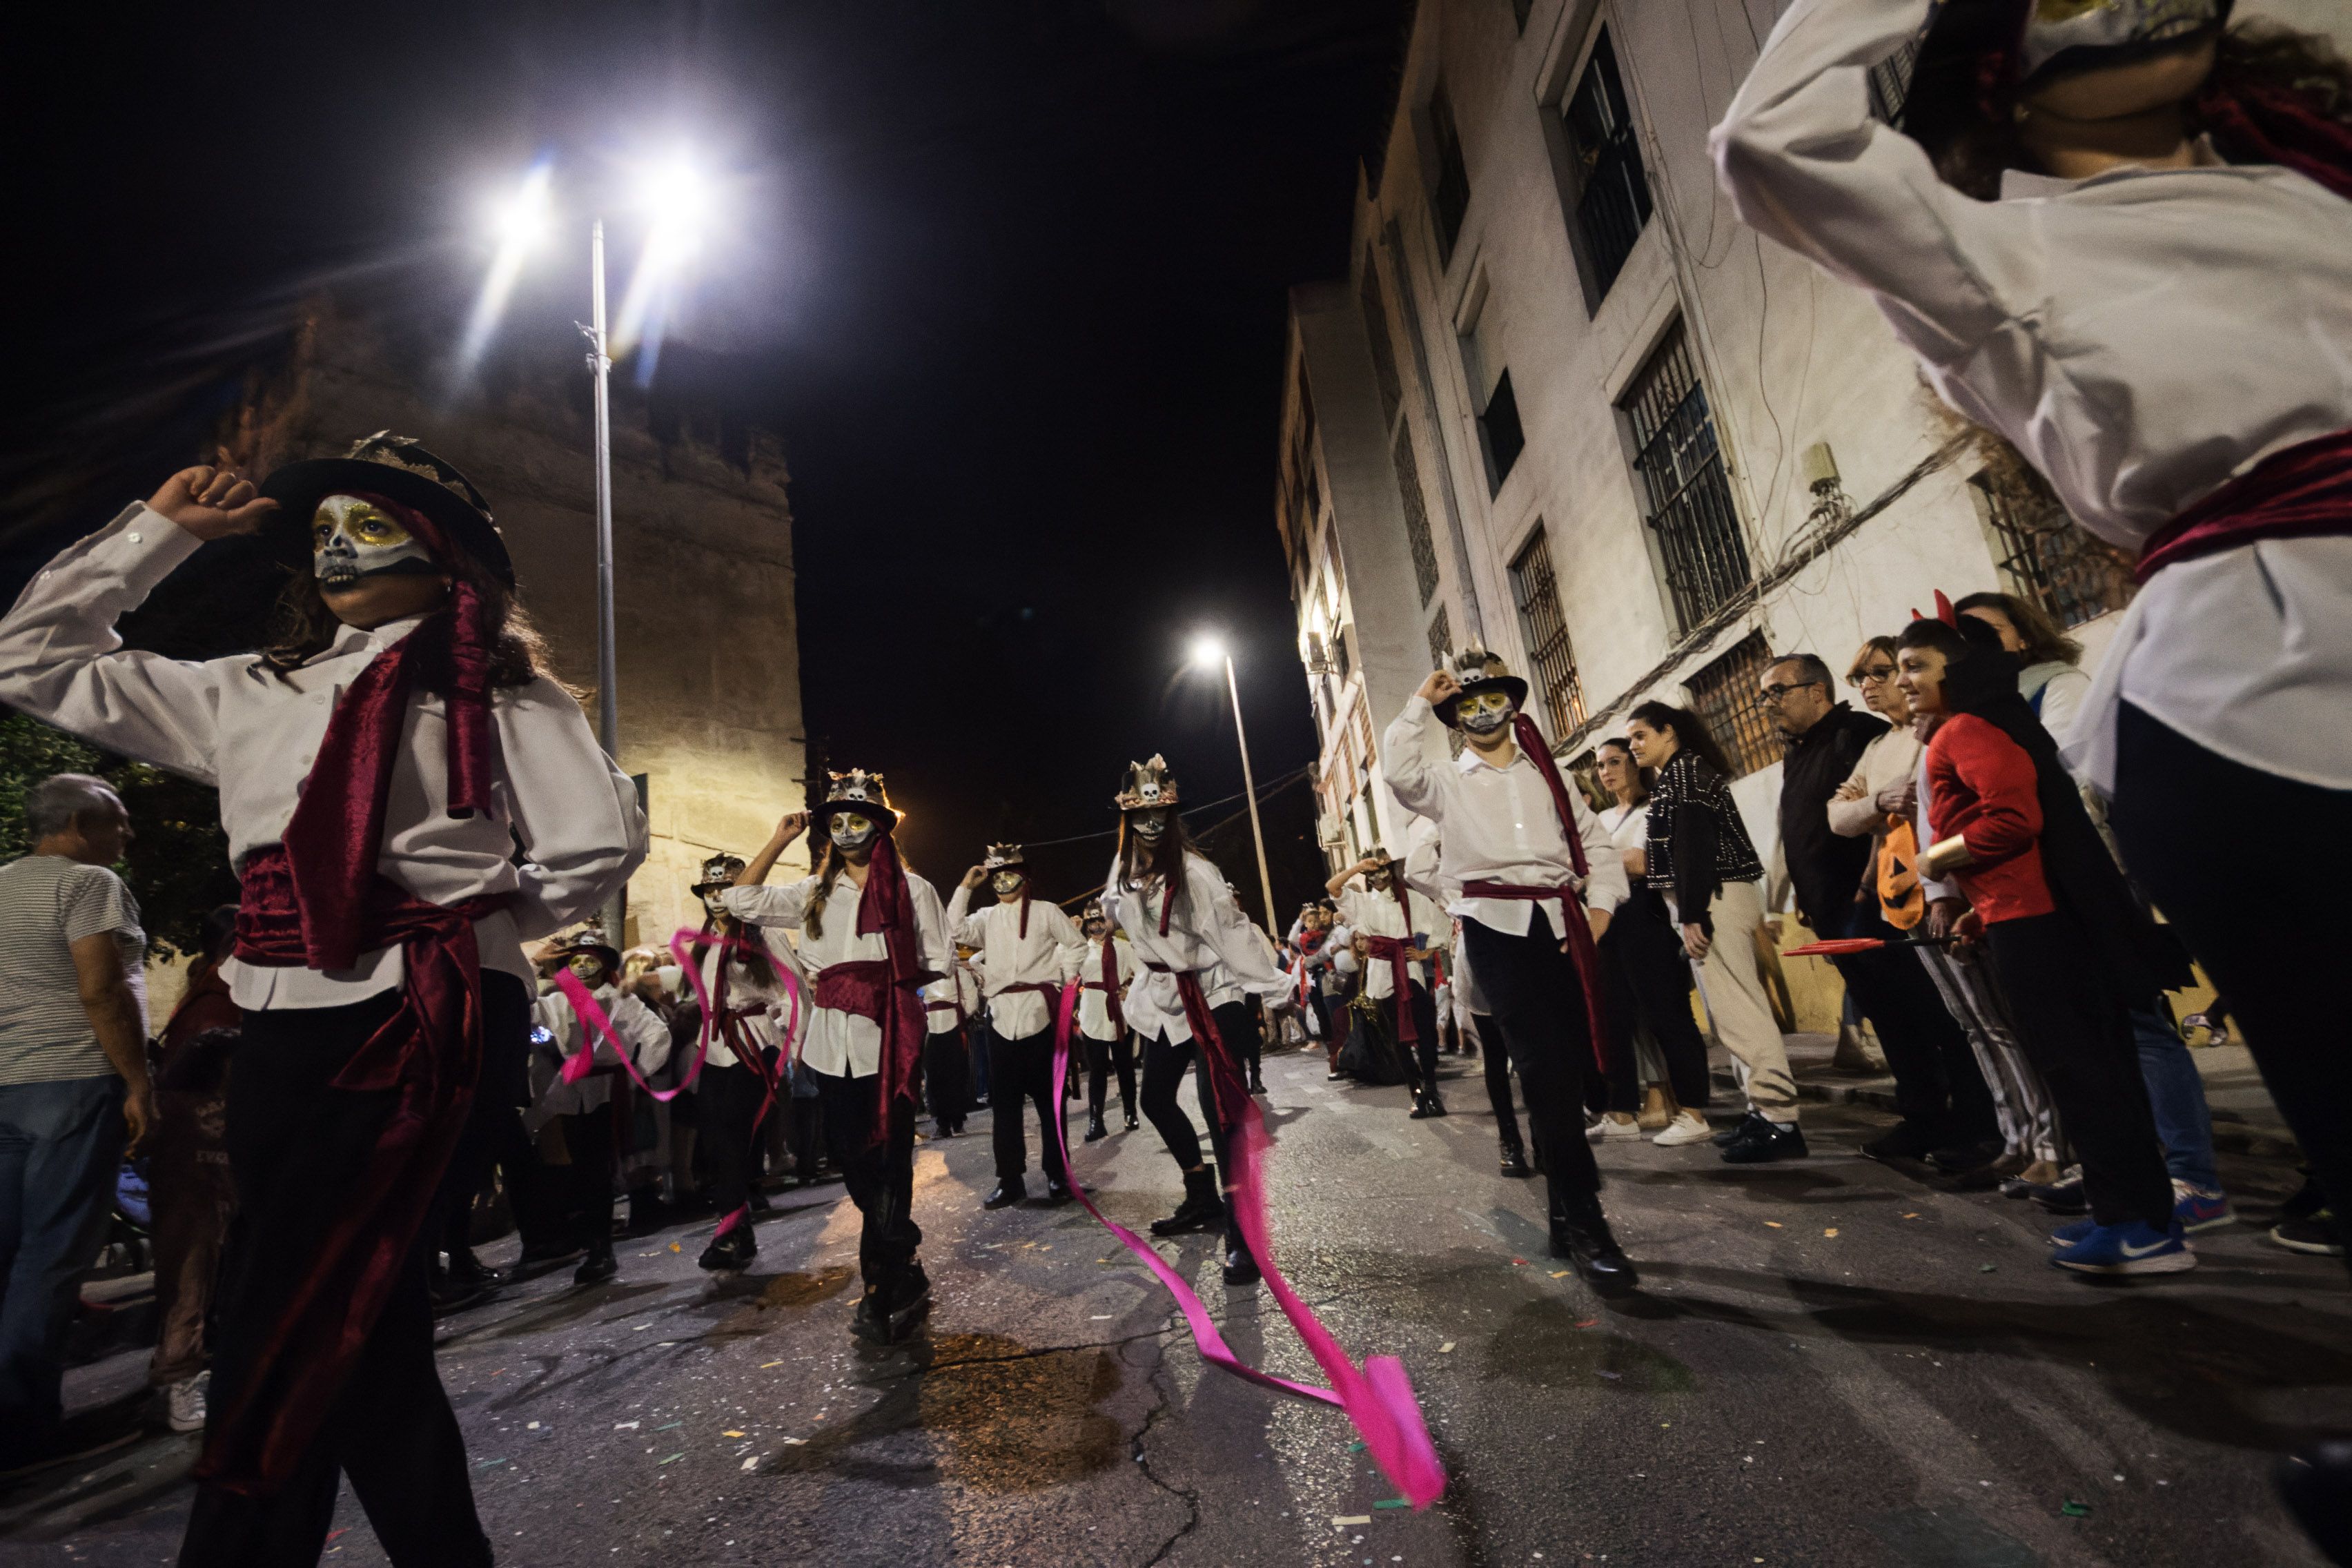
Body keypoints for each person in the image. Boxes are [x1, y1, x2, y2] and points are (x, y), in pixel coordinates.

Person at [1713, 0, 2352, 1263]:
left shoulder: (2312, 184)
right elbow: (1773, 141)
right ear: (1996, 76)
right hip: (2252, 699)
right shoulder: (1994, 257)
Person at [0, 440, 647, 1562]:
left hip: (431, 1007)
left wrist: (457, 921)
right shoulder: (252, 687)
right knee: (352, 1316)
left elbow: (595, 841)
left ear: (442, 552)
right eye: (324, 531)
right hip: (281, 1016)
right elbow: (30, 658)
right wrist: (160, 533)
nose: (339, 547)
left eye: (373, 523)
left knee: (287, 1304)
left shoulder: (500, 689)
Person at [1896, 609, 2193, 1273]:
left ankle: (2138, 1229)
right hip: (2026, 917)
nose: (1904, 680)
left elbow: (2014, 819)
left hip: (2037, 928)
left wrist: (1934, 860)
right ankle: (2134, 1215)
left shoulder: (1965, 729)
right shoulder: (1978, 724)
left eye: (1916, 666)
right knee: (2089, 1069)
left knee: (2083, 1072)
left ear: (1956, 670)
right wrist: (1980, 912)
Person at [1382, 645, 1637, 1295]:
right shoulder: (1444, 781)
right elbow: (1399, 773)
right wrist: (1420, 701)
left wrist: (1600, 910)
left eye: (1493, 698)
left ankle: (1561, 1209)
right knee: (1543, 1069)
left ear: (1514, 704)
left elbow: (1596, 845)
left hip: (1563, 924)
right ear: (1455, 716)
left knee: (1575, 1070)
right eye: (1468, 703)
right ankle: (1588, 1222)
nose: (1482, 711)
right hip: (1497, 930)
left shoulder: (1549, 775)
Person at [721, 773, 951, 1344]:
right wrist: (779, 839)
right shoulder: (812, 893)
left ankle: (881, 1285)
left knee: (889, 1157)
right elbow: (739, 900)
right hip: (830, 1041)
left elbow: (939, 956)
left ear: (879, 827)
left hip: (887, 1035)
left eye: (858, 819)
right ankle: (902, 1255)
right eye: (838, 822)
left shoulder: (914, 888)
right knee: (851, 1157)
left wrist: (883, 984)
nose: (847, 831)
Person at [1831, 637, 2065, 1184]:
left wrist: (1940, 878)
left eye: (1905, 668)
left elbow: (2001, 821)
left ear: (1951, 673)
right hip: (1929, 902)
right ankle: (2019, 1140)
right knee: (1977, 1025)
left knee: (2005, 1027)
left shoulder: (1961, 732)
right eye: (1879, 674)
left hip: (1989, 903)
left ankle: (2049, 1146)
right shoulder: (1902, 742)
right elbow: (1842, 816)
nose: (1889, 683)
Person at [1765, 652, 1998, 1166]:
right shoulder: (1812, 750)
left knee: (1937, 1016)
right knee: (1892, 1020)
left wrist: (1862, 882)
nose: (1768, 704)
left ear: (1816, 691)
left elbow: (1884, 819)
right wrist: (1798, 893)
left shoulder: (1855, 735)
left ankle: (1976, 1124)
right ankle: (1923, 1120)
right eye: (1861, 676)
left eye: (1777, 691)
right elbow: (1826, 819)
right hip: (1836, 907)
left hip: (1891, 899)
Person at [0, 774, 157, 1470]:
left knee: (9, 1253)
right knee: (53, 1255)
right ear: (74, 824)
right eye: (117, 820)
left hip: (6, 1085)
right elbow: (101, 987)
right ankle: (22, 1428)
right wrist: (138, 1082)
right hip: (73, 1078)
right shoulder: (87, 883)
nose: (127, 833)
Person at [1099, 756, 1290, 1288]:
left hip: (1212, 992)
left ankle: (1241, 1233)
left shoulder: (1197, 873)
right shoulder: (1124, 871)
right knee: (1154, 1099)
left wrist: (1275, 985)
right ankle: (1201, 1192)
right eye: (1140, 816)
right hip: (1165, 995)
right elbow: (1114, 910)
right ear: (1128, 819)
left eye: (1159, 814)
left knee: (1219, 1112)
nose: (1150, 824)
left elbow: (1233, 934)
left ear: (1172, 816)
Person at [1623, 700, 1802, 1164]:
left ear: (1669, 732)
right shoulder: (1678, 774)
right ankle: (1761, 1112)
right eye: (1631, 738)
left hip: (1715, 899)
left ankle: (1781, 1119)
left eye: (1641, 735)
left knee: (1742, 1012)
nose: (1633, 745)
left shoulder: (1685, 773)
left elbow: (1693, 848)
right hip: (1710, 900)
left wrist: (1693, 913)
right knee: (1731, 1014)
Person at [526, 934, 670, 1286]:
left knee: (599, 1169)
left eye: (590, 959)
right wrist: (533, 969)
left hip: (609, 1091)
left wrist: (636, 1074)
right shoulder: (555, 1001)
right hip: (572, 1091)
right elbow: (524, 1012)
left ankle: (601, 1248)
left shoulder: (622, 1001)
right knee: (581, 1169)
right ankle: (592, 1242)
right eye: (576, 960)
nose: (583, 966)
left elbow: (657, 1035)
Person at [946, 843, 1084, 1210]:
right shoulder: (986, 917)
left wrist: (1065, 981)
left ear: (1025, 877)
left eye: (1010, 874)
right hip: (1002, 1014)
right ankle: (1010, 1180)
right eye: (997, 876)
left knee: (1049, 1101)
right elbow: (954, 929)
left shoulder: (1046, 911)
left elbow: (1076, 944)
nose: (1003, 881)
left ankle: (1058, 1174)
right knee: (1004, 1105)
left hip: (1040, 1011)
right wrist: (966, 886)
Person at [683, 852, 803, 1270]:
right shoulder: (704, 942)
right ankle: (739, 1228)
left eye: (725, 889)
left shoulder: (764, 934)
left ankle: (730, 1233)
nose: (717, 897)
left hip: (754, 1042)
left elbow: (792, 990)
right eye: (710, 890)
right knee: (716, 1138)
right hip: (715, 1045)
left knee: (733, 1132)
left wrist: (789, 1042)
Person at [1590, 741, 1714, 1148]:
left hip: (1648, 914)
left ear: (1634, 764)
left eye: (1615, 762)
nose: (1606, 772)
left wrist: (1606, 862)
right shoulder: (1600, 819)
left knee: (1668, 1015)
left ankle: (1693, 1111)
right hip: (1607, 917)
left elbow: (1648, 862)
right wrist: (1615, 861)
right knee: (1613, 1021)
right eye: (1600, 766)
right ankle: (1622, 1113)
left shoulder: (1656, 808)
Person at [148, 903, 241, 1435]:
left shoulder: (208, 994)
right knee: (191, 1263)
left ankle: (185, 1375)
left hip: (202, 1149)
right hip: (201, 1151)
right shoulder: (219, 1000)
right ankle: (177, 1381)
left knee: (200, 1262)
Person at [1402, 823, 1531, 1177]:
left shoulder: (1508, 867)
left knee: (1530, 1059)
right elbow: (1415, 870)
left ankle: (1543, 1137)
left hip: (1521, 969)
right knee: (1496, 1059)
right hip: (1479, 977)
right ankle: (1510, 1140)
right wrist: (1441, 823)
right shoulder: (1455, 884)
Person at [1326, 847, 1449, 1118]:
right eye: (1371, 873)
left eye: (1381, 870)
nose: (1377, 877)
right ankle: (1416, 1093)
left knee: (1425, 1035)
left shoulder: (1413, 899)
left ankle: (1432, 1090)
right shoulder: (1363, 903)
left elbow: (1441, 926)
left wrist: (1427, 950)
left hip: (1411, 971)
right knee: (1398, 1040)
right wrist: (1358, 867)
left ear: (1391, 871)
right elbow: (1333, 887)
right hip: (1382, 975)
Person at [1075, 901, 1139, 1141]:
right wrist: (1072, 934)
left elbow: (1143, 973)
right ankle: (1096, 1121)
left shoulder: (1123, 947)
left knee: (1124, 1066)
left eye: (1101, 919)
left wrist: (1130, 990)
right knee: (1097, 1070)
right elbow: (1065, 969)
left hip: (1120, 1012)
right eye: (1091, 921)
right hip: (1092, 1013)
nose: (1097, 926)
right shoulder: (1081, 949)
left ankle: (1130, 1113)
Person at [920, 943, 977, 1139]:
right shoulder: (926, 974)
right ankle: (944, 1122)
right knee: (939, 1079)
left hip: (951, 1029)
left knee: (953, 1077)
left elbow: (971, 1001)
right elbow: (972, 1002)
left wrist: (960, 1016)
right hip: (935, 1030)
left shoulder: (959, 973)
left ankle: (954, 1121)